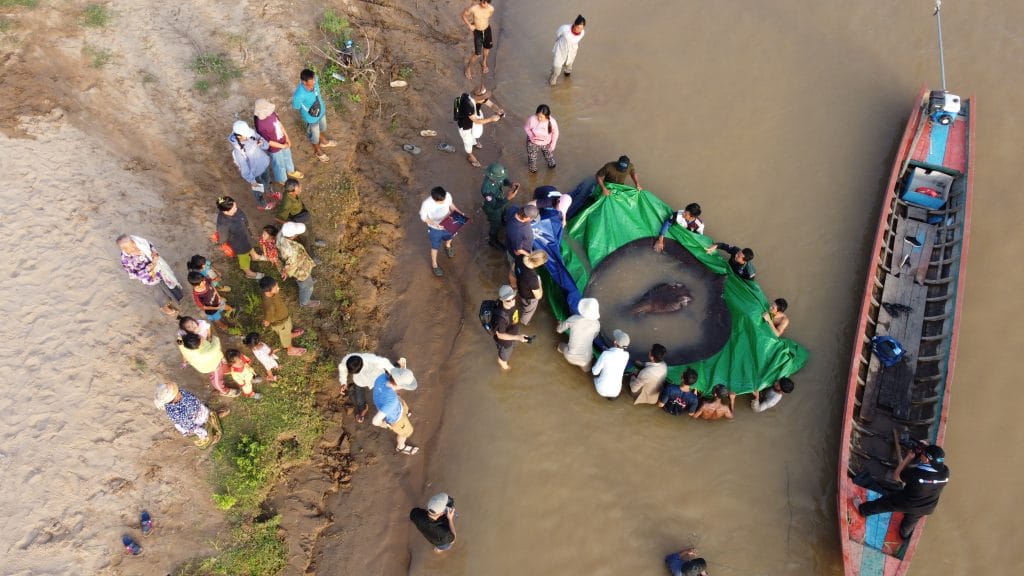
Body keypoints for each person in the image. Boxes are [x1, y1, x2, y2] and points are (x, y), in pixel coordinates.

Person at [855, 443, 950, 539]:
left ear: (926, 459)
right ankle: (904, 535)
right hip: (927, 507)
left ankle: (863, 510)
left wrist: (908, 458)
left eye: (923, 453)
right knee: (909, 524)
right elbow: (929, 473)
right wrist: (926, 448)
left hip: (907, 502)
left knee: (885, 503)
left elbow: (896, 476)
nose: (921, 453)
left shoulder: (915, 474)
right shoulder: (945, 472)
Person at [116, 234, 183, 316]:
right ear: (124, 249)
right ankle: (164, 307)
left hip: (160, 270)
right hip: (151, 278)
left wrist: (154, 252)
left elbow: (149, 244)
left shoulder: (137, 240)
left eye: (133, 243)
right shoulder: (126, 260)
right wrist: (152, 265)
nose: (135, 247)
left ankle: (175, 295)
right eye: (131, 247)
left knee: (169, 284)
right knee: (159, 292)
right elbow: (137, 274)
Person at [153, 382, 229, 449]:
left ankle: (214, 418)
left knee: (208, 414)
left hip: (198, 409)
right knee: (205, 430)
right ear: (171, 400)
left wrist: (198, 404)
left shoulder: (179, 392)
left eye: (177, 390)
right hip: (194, 421)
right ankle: (211, 439)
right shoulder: (176, 413)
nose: (179, 391)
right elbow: (187, 424)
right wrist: (196, 429)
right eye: (176, 393)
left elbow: (190, 397)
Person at [253, 98, 303, 185]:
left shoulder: (272, 114)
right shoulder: (260, 125)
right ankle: (282, 179)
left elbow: (279, 125)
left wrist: (287, 138)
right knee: (278, 164)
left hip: (282, 140)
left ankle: (291, 171)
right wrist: (282, 146)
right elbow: (267, 141)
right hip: (274, 148)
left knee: (287, 156)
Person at [419, 186, 466, 277]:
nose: (444, 202)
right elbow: (424, 218)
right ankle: (434, 265)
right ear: (434, 199)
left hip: (449, 223)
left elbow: (451, 205)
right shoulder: (427, 204)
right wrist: (435, 224)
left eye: (444, 199)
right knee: (435, 247)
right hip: (435, 229)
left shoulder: (447, 195)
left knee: (451, 236)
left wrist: (458, 212)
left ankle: (448, 246)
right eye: (441, 202)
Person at [338, 353, 398, 424]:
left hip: (378, 378)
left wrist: (394, 375)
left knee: (385, 394)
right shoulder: (347, 360)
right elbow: (342, 368)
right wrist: (343, 383)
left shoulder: (369, 359)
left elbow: (384, 362)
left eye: (357, 371)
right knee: (359, 397)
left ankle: (398, 368)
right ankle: (363, 408)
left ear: (362, 363)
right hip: (360, 381)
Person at [371, 367, 420, 455]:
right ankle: (401, 447)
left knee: (402, 405)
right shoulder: (392, 401)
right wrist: (384, 424)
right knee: (406, 432)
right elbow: (375, 421)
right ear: (398, 385)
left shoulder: (382, 376)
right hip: (395, 418)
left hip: (386, 402)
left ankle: (405, 413)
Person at [228, 120, 275, 210]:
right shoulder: (238, 151)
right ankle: (263, 205)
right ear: (238, 136)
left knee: (267, 180)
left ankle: (269, 191)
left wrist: (262, 144)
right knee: (258, 190)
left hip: (263, 164)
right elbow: (244, 168)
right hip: (255, 173)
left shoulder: (251, 133)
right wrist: (252, 181)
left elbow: (265, 145)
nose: (248, 136)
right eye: (246, 135)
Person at [291, 68, 336, 162]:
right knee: (315, 136)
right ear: (303, 82)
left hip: (321, 111)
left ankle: (324, 142)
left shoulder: (315, 79)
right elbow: (296, 107)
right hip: (311, 118)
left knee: (323, 128)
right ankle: (317, 150)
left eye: (314, 82)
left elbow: (315, 80)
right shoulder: (298, 95)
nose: (313, 85)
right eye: (310, 84)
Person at [214, 196, 263, 279]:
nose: (236, 208)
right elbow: (223, 238)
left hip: (246, 235)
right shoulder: (223, 224)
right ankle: (249, 273)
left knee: (250, 244)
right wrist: (222, 244)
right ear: (225, 211)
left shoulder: (234, 210)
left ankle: (255, 256)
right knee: (244, 257)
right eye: (234, 208)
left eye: (236, 206)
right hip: (239, 244)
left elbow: (244, 219)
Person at [177, 332, 237, 397]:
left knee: (223, 365)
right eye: (200, 337)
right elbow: (216, 339)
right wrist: (210, 334)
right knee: (217, 381)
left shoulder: (184, 346)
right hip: (213, 367)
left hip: (206, 364)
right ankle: (224, 391)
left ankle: (226, 370)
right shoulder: (210, 351)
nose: (202, 337)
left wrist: (182, 336)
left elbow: (179, 340)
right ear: (200, 344)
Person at [259, 276, 307, 356]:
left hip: (284, 317)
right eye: (276, 287)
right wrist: (267, 322)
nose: (279, 288)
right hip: (281, 323)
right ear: (268, 291)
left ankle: (290, 335)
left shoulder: (271, 293)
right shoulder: (269, 305)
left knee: (288, 328)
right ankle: (290, 349)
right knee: (285, 336)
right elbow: (268, 318)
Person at [456, 87, 504, 167]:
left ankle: (474, 142)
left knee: (475, 134)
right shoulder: (468, 105)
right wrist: (491, 119)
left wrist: (498, 110)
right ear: (478, 98)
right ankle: (470, 155)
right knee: (467, 141)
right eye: (484, 98)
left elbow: (491, 104)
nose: (486, 99)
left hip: (475, 116)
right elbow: (476, 121)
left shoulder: (478, 98)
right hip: (465, 125)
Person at [276, 179, 324, 257]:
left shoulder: (291, 193)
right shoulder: (287, 203)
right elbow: (278, 217)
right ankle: (310, 254)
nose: (300, 188)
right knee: (305, 237)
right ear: (292, 191)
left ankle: (313, 241)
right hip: (298, 220)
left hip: (303, 215)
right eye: (298, 187)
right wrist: (291, 225)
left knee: (310, 230)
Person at [277, 222, 320, 307]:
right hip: (301, 270)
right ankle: (305, 302)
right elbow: (291, 266)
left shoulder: (280, 236)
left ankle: (309, 281)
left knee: (307, 279)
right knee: (306, 286)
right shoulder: (292, 251)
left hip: (302, 264)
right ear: (293, 236)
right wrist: (286, 272)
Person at [480, 162, 520, 248]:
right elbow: (494, 206)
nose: (501, 179)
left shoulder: (498, 176)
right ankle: (493, 240)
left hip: (501, 199)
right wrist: (508, 198)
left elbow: (504, 180)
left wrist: (510, 183)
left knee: (504, 213)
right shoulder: (486, 189)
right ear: (492, 177)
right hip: (493, 208)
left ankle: (503, 221)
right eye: (499, 178)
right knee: (495, 225)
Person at [556, 297, 601, 370]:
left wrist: (560, 324)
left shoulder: (574, 318)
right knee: (586, 370)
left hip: (569, 356)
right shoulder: (597, 324)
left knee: (559, 346)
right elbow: (594, 337)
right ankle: (585, 369)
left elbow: (559, 330)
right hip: (585, 360)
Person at [493, 284, 531, 370]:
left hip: (513, 334)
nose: (512, 302)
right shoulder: (500, 319)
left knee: (513, 346)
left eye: (513, 298)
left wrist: (517, 337)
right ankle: (505, 369)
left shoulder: (512, 304)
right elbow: (500, 335)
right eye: (508, 300)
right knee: (503, 359)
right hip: (505, 343)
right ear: (502, 300)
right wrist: (518, 337)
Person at [504, 204, 539, 284]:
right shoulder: (518, 231)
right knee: (515, 267)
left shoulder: (514, 208)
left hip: (509, 240)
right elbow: (518, 250)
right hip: (517, 254)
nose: (532, 220)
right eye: (531, 218)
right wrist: (529, 255)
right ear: (526, 217)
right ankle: (514, 281)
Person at [592, 329, 630, 399]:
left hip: (601, 390)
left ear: (615, 342)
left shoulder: (606, 354)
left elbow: (595, 372)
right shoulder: (627, 355)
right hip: (616, 392)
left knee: (594, 370)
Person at [461, 0, 494, 80]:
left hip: (487, 30)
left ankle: (484, 62)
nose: (484, 4)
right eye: (483, 2)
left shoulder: (491, 8)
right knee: (478, 54)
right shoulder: (474, 8)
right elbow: (463, 15)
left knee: (487, 48)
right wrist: (470, 25)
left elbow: (487, 17)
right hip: (478, 32)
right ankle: (468, 68)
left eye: (486, 2)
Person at [550, 15, 586, 86]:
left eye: (581, 28)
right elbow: (558, 34)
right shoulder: (564, 28)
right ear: (574, 24)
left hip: (572, 51)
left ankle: (567, 78)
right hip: (561, 50)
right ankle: (552, 83)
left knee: (569, 66)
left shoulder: (582, 33)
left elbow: (575, 41)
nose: (579, 30)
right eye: (578, 27)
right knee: (557, 70)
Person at [515, 250, 548, 326]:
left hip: (520, 289)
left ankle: (523, 306)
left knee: (524, 303)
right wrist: (539, 282)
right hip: (529, 298)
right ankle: (524, 322)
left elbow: (514, 267)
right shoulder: (533, 278)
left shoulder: (520, 257)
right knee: (529, 311)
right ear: (538, 263)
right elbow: (538, 296)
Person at [524, 104, 559, 173]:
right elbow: (526, 128)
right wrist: (531, 136)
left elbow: (555, 133)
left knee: (549, 157)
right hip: (533, 142)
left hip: (546, 143)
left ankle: (552, 168)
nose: (539, 118)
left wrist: (553, 144)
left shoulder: (552, 122)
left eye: (541, 117)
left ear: (547, 116)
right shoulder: (532, 119)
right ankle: (533, 173)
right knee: (532, 160)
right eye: (538, 116)